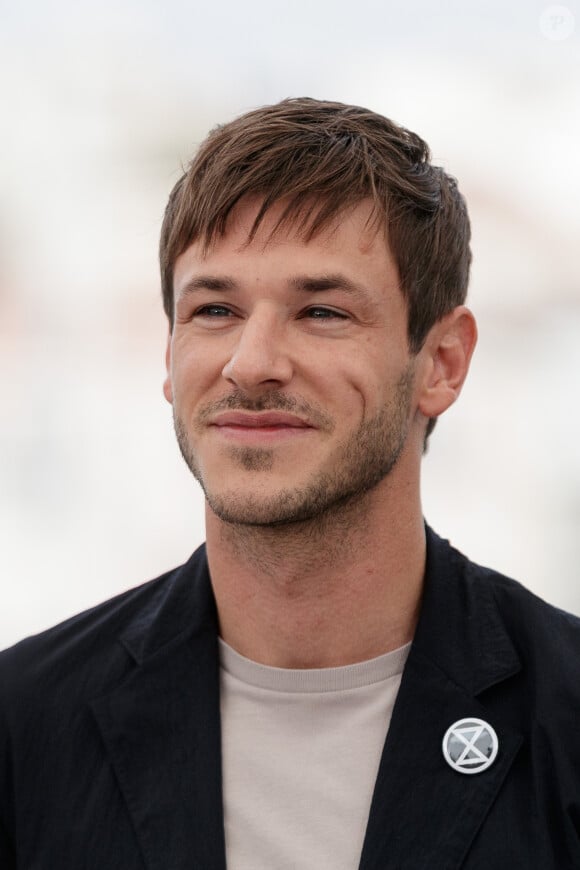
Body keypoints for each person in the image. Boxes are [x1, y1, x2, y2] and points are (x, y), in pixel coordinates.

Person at [0, 98, 579, 870]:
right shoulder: (23, 726)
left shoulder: (567, 718)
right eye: (214, 309)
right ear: (170, 354)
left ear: (442, 362)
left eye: (322, 311)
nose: (253, 361)